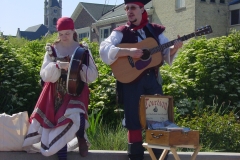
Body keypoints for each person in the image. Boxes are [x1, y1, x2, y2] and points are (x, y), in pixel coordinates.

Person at [99, 0, 183, 160]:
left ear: (142, 9)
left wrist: (174, 48)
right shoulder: (120, 31)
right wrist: (128, 51)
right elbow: (104, 48)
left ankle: (159, 156)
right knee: (133, 119)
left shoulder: (155, 31)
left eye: (133, 8)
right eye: (127, 8)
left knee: (158, 118)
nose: (129, 11)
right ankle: (135, 156)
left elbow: (165, 51)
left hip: (152, 79)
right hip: (131, 81)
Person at [22, 17, 98, 160]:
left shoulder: (82, 49)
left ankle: (81, 136)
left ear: (73, 31)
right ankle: (62, 157)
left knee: (78, 117)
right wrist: (58, 65)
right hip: (55, 92)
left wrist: (79, 67)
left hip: (76, 90)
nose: (64, 37)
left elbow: (93, 75)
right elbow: (44, 74)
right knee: (58, 125)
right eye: (61, 34)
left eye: (67, 34)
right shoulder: (52, 49)